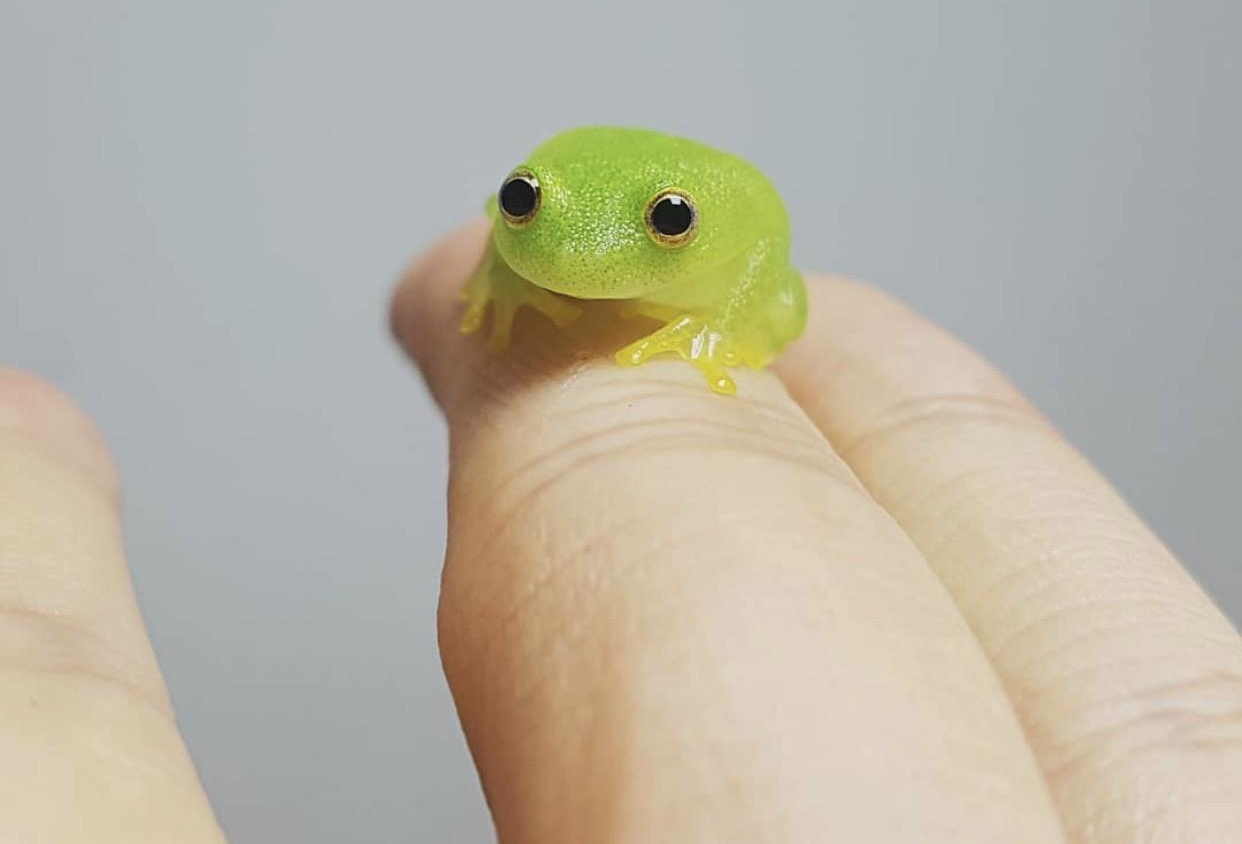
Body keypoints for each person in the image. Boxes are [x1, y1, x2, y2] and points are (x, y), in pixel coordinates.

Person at [2, 219, 1239, 842]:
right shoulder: (525, 233)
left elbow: (782, 293)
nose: (584, 250)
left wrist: (719, 332)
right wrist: (505, 270)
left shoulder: (731, 239)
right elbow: (516, 234)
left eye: (653, 226)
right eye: (531, 208)